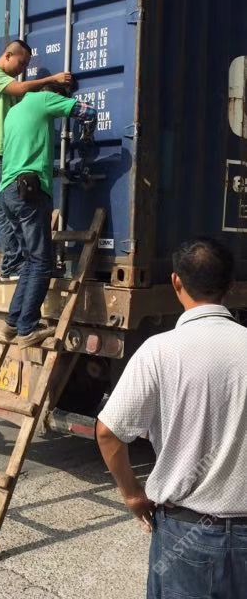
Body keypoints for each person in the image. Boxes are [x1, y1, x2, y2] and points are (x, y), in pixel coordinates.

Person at [96, 237, 247, 599]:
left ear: (176, 281)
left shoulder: (159, 352)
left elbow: (108, 432)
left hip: (185, 535)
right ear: (230, 286)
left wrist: (133, 495)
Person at [0, 79, 97, 348]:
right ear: (54, 96)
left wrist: (61, 172)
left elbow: (26, 156)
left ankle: (11, 325)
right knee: (42, 263)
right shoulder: (45, 99)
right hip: (29, 192)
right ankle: (28, 328)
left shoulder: (15, 110)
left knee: (31, 261)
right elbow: (88, 111)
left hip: (9, 191)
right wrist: (87, 138)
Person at [0, 40, 72, 281]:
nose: (23, 69)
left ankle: (26, 262)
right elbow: (20, 90)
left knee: (16, 210)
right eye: (21, 62)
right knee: (4, 211)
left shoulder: (8, 84)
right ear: (8, 55)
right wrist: (53, 80)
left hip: (9, 154)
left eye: (27, 65)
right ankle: (12, 264)